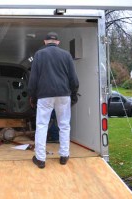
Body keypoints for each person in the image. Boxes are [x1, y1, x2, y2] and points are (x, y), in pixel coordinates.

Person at [28, 32, 79, 168]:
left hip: (44, 95)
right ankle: (64, 155)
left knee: (41, 125)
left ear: (45, 42)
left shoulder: (39, 55)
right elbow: (73, 79)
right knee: (64, 125)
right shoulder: (66, 55)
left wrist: (32, 96)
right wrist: (73, 94)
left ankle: (40, 159)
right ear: (58, 42)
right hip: (63, 94)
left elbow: (33, 79)